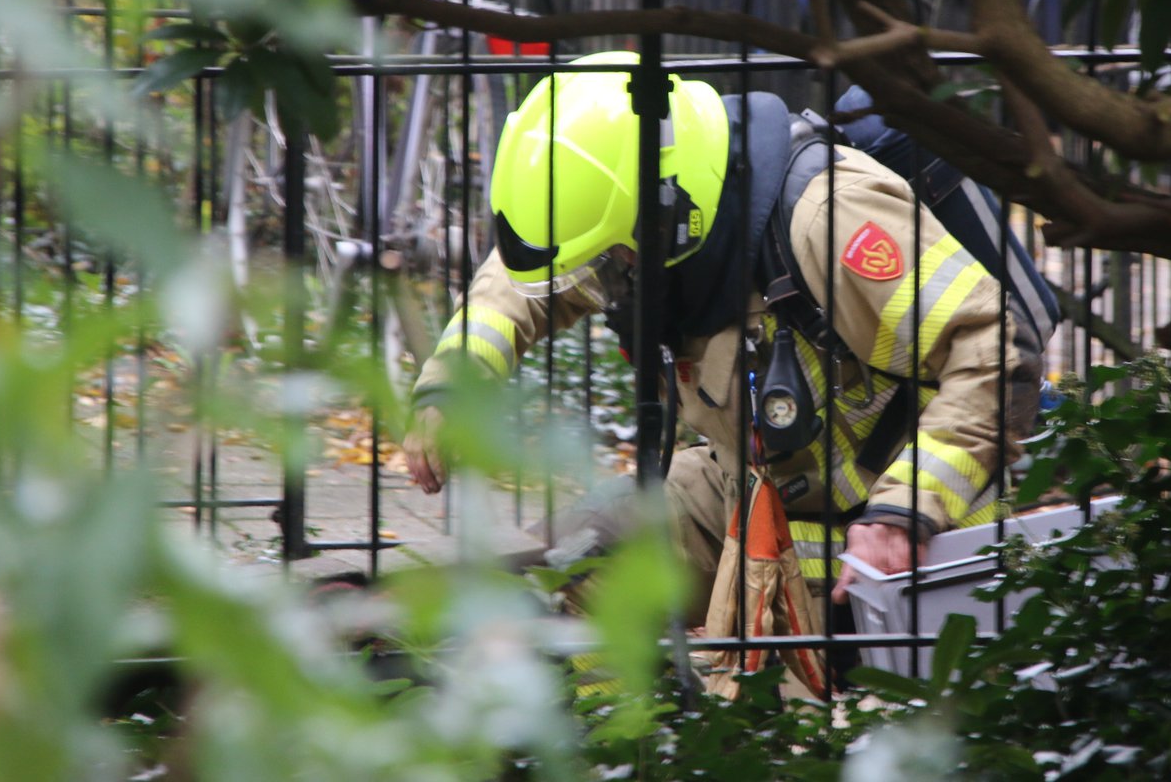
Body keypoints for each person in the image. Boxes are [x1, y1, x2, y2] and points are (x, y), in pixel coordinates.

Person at [404, 53, 1047, 620]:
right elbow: (519, 281)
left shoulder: (826, 217)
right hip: (748, 492)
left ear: (671, 217)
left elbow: (996, 349)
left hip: (896, 538)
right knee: (554, 580)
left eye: (609, 264)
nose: (598, 286)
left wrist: (905, 511)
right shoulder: (639, 218)